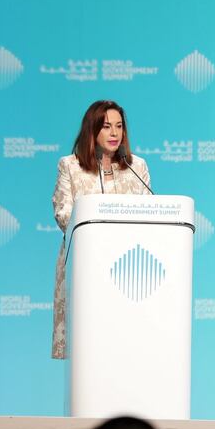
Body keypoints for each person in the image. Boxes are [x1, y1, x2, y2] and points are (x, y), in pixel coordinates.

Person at [51, 100, 151, 359]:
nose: (115, 133)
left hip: (131, 270)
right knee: (90, 352)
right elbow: (64, 215)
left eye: (119, 127)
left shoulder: (136, 167)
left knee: (127, 351)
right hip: (86, 268)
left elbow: (152, 215)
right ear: (92, 130)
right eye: (107, 127)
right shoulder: (70, 166)